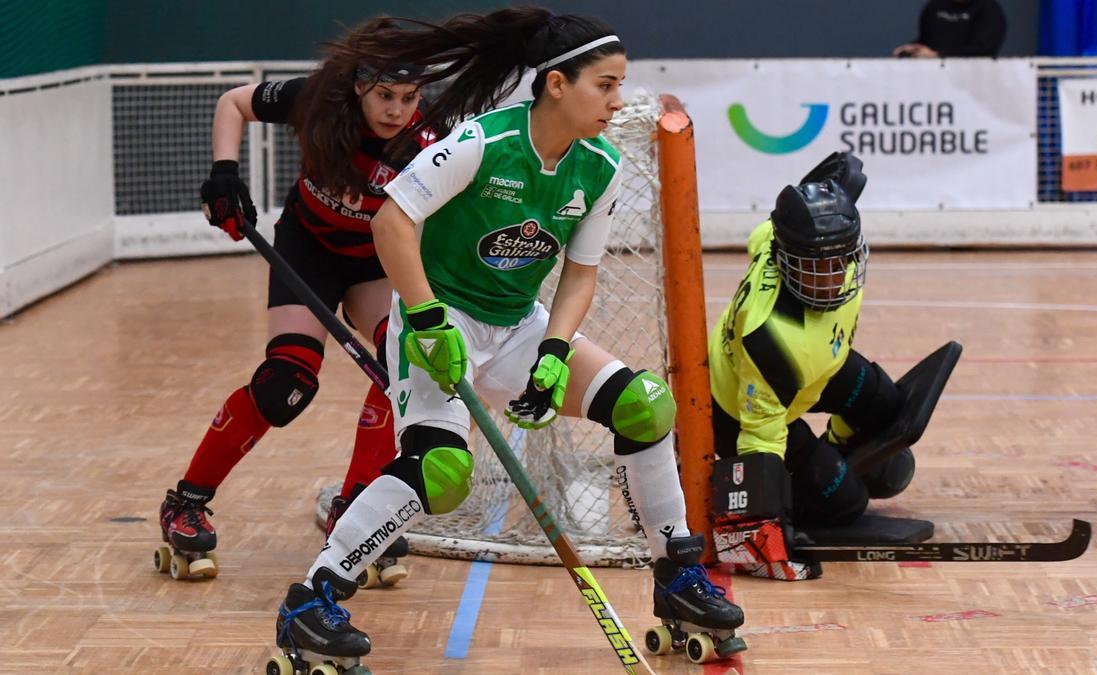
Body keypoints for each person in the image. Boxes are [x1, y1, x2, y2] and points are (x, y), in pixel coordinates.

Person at [269, 8, 745, 668]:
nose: (617, 100)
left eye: (619, 85)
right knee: (441, 471)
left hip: (519, 328)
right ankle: (312, 598)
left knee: (644, 404)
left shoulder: (600, 167)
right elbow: (392, 223)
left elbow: (579, 275)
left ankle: (677, 576)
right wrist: (429, 317)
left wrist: (554, 351)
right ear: (556, 84)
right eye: (603, 85)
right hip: (438, 322)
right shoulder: (482, 143)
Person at [156, 17, 436, 583]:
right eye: (384, 95)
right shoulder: (319, 100)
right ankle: (185, 502)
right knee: (286, 382)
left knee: (401, 374)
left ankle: (355, 513)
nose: (396, 110)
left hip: (374, 261)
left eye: (408, 97)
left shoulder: (434, 136)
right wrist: (224, 177)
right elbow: (234, 103)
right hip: (307, 247)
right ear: (359, 86)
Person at [706, 153, 922, 579]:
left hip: (820, 370)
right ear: (788, 260)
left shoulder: (775, 237)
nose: (830, 277)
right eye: (814, 268)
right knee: (847, 504)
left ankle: (840, 448)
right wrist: (763, 535)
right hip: (748, 409)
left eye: (839, 261)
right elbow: (760, 441)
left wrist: (826, 190)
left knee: (890, 405)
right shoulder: (770, 339)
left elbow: (776, 222)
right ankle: (813, 488)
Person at [893, 0, 1007, 58]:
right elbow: (927, 40)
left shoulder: (989, 9)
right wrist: (913, 48)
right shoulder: (936, 6)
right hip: (935, 76)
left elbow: (984, 50)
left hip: (974, 78)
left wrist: (938, 55)